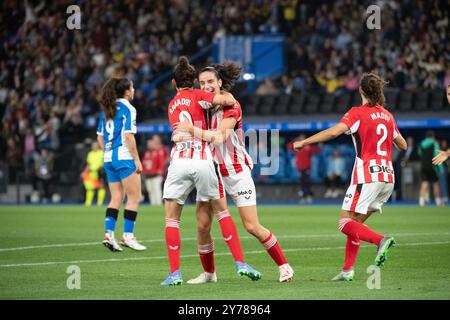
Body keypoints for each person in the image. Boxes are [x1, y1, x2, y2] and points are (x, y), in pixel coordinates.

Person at [175, 62, 294, 283]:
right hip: (210, 171)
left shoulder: (232, 106)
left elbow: (220, 137)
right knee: (202, 226)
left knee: (251, 226)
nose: (206, 86)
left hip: (236, 171)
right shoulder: (201, 104)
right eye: (202, 83)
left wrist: (190, 130)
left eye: (210, 81)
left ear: (220, 82)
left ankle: (284, 266)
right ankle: (209, 273)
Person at [294, 72, 407, 281]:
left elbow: (334, 132)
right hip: (388, 177)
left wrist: (304, 142)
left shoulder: (357, 113)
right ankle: (348, 270)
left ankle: (381, 240)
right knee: (356, 223)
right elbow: (403, 144)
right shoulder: (388, 116)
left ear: (361, 90)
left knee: (344, 223)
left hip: (367, 176)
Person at [161, 56, 261, 286]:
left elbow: (177, 132)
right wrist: (222, 96)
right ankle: (240, 262)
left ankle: (175, 273)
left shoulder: (170, 105)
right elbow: (228, 100)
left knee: (172, 219)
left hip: (179, 161)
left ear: (174, 84)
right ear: (194, 82)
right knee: (222, 213)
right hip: (205, 160)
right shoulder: (201, 97)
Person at [96, 77, 146, 252]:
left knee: (116, 198)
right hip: (124, 157)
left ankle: (109, 234)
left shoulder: (106, 109)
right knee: (135, 197)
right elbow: (128, 136)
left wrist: (106, 152)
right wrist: (137, 159)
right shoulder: (128, 108)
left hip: (109, 158)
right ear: (126, 91)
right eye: (132, 87)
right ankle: (128, 236)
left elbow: (99, 136)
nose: (134, 89)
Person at [418, 131, 443, 207]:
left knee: (424, 184)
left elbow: (419, 153)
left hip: (424, 166)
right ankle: (438, 202)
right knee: (435, 184)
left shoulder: (422, 143)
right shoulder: (435, 143)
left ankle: (421, 202)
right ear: (432, 136)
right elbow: (437, 156)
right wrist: (441, 169)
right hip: (433, 167)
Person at [294, 133, 320, 203]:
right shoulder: (297, 146)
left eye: (303, 138)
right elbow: (290, 146)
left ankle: (309, 196)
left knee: (307, 182)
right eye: (301, 138)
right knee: (302, 182)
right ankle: (303, 197)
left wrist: (319, 145)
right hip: (300, 167)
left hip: (307, 167)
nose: (302, 139)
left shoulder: (308, 146)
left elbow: (316, 150)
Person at [142, 135, 167, 205]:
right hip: (148, 175)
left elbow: (162, 162)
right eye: (148, 144)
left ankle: (158, 204)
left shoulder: (159, 151)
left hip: (156, 175)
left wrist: (161, 169)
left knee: (157, 190)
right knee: (150, 190)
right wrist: (144, 171)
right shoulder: (147, 153)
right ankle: (153, 204)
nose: (149, 145)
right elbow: (144, 163)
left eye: (150, 144)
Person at [81, 141, 106, 206]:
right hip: (91, 172)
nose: (94, 147)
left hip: (100, 172)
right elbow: (88, 164)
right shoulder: (90, 154)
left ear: (98, 146)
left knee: (101, 186)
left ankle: (100, 203)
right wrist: (84, 172)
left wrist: (102, 167)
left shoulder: (102, 153)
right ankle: (88, 203)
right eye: (93, 145)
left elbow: (104, 162)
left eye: (96, 145)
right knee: (90, 188)